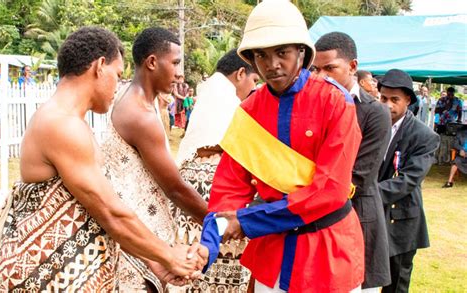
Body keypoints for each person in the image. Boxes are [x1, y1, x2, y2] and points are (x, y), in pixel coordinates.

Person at [0, 27, 205, 292]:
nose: (118, 85)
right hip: (45, 277)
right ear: (100, 66)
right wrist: (167, 255)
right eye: (118, 75)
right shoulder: (61, 125)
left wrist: (152, 261)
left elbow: (99, 211)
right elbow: (110, 212)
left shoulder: (73, 122)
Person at [199, 1, 364, 292]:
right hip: (273, 254)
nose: (271, 64)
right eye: (261, 55)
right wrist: (207, 246)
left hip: (327, 252)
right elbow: (229, 190)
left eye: (282, 52)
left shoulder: (335, 102)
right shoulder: (248, 112)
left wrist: (248, 220)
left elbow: (330, 191)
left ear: (301, 52)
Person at [99, 27, 208, 292]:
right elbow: (175, 188)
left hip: (136, 236)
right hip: (135, 242)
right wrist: (218, 220)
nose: (179, 73)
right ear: (151, 62)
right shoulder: (140, 115)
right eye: (175, 63)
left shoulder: (141, 102)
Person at [173, 49, 259, 292]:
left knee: (198, 264)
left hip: (196, 191)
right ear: (241, 73)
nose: (253, 88)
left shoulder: (211, 91)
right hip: (214, 192)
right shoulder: (227, 99)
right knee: (222, 263)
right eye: (253, 80)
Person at [313, 32, 392, 292]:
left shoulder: (375, 112)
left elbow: (359, 174)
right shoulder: (310, 106)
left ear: (353, 67)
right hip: (313, 214)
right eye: (316, 69)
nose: (322, 77)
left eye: (330, 68)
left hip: (356, 213)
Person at [377, 69, 440, 293]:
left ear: (408, 101)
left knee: (395, 284)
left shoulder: (424, 136)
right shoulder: (372, 125)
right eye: (383, 98)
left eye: (395, 100)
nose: (387, 105)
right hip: (371, 216)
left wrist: (365, 194)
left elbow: (408, 180)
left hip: (400, 220)